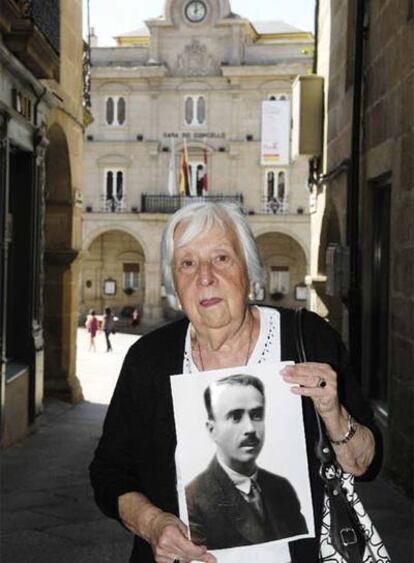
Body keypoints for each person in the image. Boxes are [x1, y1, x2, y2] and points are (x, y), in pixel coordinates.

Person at [89, 202, 382, 563]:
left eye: (222, 258)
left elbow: (364, 465)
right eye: (187, 263)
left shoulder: (308, 339)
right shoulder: (148, 360)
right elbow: (108, 472)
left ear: (249, 269)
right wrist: (152, 524)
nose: (205, 277)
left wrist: (333, 413)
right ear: (174, 283)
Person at [186, 373, 308, 549]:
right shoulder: (194, 500)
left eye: (257, 415)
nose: (250, 428)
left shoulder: (282, 488)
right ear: (212, 429)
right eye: (235, 416)